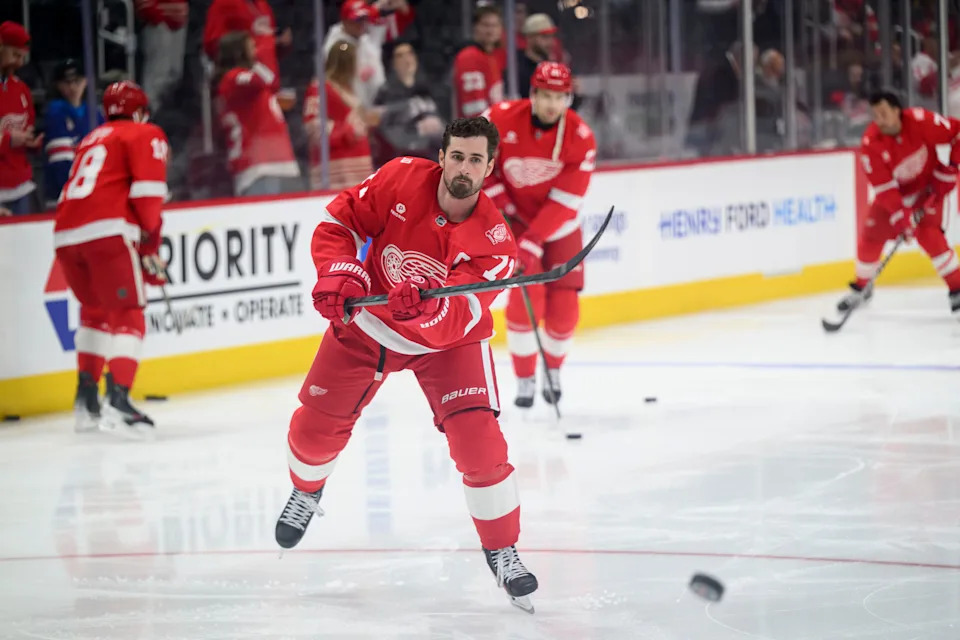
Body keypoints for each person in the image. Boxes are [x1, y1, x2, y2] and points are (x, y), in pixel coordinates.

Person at [273, 117, 539, 612]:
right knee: (312, 432)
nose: (464, 167)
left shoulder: (497, 242)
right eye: (456, 155)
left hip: (448, 344)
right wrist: (341, 273)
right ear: (441, 156)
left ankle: (502, 549)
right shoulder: (399, 177)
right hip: (372, 321)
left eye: (475, 159)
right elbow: (339, 223)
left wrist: (429, 310)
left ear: (490, 168)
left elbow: (463, 315)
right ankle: (306, 492)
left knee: (479, 443)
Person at [53, 81, 170, 436]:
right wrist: (150, 244)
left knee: (95, 313)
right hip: (107, 232)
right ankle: (118, 400)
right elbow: (148, 196)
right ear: (139, 110)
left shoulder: (91, 138)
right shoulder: (144, 132)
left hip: (65, 234)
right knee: (129, 314)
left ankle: (85, 403)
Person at [482, 62, 596, 407]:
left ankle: (554, 369)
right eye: (545, 95)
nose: (551, 104)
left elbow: (565, 200)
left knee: (564, 309)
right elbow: (478, 166)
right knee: (526, 298)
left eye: (559, 97)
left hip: (559, 228)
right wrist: (503, 206)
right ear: (532, 94)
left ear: (569, 98)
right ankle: (525, 377)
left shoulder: (580, 138)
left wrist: (532, 240)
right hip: (512, 223)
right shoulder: (496, 119)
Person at [836, 90, 960, 318]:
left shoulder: (922, 121)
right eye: (875, 115)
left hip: (929, 189)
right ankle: (862, 288)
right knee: (871, 234)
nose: (879, 120)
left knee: (929, 235)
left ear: (897, 111)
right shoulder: (871, 143)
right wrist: (901, 219)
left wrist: (951, 168)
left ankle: (957, 288)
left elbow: (957, 133)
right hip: (897, 197)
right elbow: (884, 189)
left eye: (884, 113)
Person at [216, 31, 299, 196]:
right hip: (257, 167)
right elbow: (262, 80)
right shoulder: (232, 78)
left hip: (280, 161)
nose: (257, 50)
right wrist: (266, 47)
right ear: (240, 51)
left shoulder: (247, 80)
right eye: (253, 46)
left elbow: (267, 80)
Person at [304, 40, 375, 190]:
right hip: (336, 172)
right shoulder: (320, 88)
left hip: (358, 168)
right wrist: (348, 130)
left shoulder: (350, 89)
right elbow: (313, 128)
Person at [44, 59, 105, 208]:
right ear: (58, 85)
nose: (72, 87)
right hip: (64, 193)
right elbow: (60, 161)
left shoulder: (95, 113)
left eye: (76, 81)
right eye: (66, 82)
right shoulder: (56, 112)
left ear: (86, 81)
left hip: (94, 189)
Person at [0, 21, 43, 215]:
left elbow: (29, 127)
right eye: (15, 55)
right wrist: (9, 140)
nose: (18, 63)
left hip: (21, 185)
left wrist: (31, 142)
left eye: (22, 57)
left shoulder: (21, 89)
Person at [451, 5, 504, 118]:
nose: (490, 30)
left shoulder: (493, 57)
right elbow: (473, 108)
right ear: (475, 27)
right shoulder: (469, 57)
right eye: (485, 25)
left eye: (495, 25)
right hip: (475, 131)